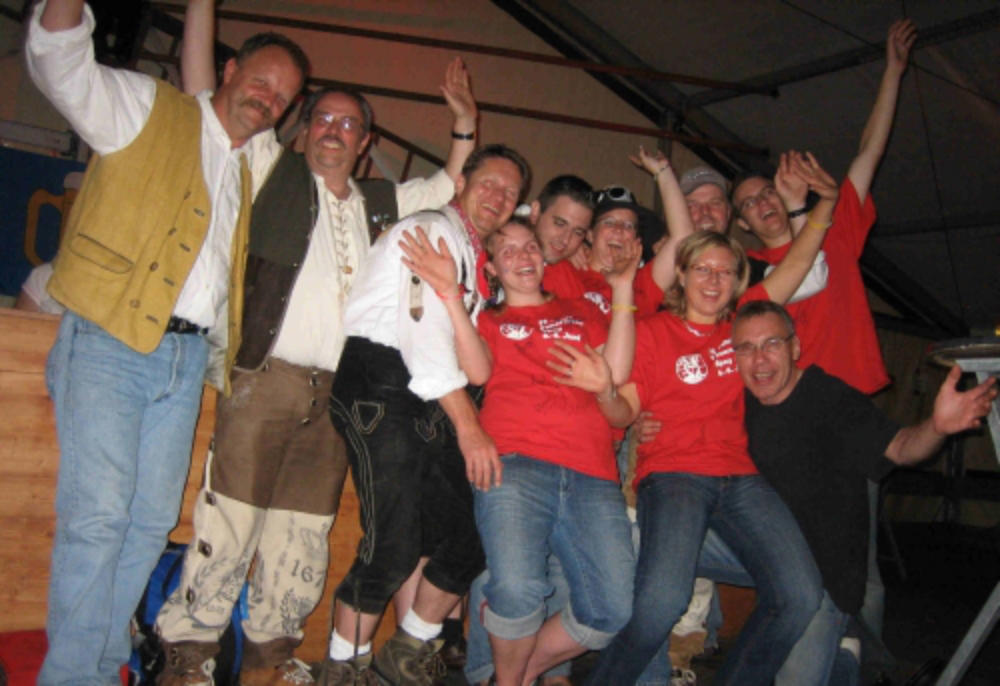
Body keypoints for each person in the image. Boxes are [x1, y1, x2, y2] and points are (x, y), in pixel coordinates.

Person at [152, 5, 480, 683]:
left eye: (348, 124)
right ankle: (189, 650)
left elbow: (449, 184)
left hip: (337, 395)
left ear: (365, 141)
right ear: (303, 130)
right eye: (322, 118)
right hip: (265, 378)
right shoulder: (268, 166)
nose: (333, 130)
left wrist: (463, 124)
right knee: (231, 519)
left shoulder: (380, 202)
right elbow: (208, 100)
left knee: (301, 532)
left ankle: (271, 657)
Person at [24, 0, 307, 683]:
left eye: (282, 98)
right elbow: (61, 64)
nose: (269, 100)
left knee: (150, 524)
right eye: (261, 81)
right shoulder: (146, 108)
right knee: (98, 520)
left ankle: (102, 666)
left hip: (185, 360)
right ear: (229, 71)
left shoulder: (249, 164)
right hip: (111, 341)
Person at [574, 152, 840, 685]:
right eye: (702, 269)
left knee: (801, 594)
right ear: (682, 274)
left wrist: (825, 207)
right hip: (674, 476)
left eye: (725, 271)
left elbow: (795, 265)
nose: (714, 280)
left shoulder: (743, 326)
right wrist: (605, 392)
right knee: (660, 604)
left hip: (740, 477)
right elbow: (625, 408)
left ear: (738, 280)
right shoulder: (652, 331)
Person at [732, 19, 918, 640]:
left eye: (767, 192)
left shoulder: (833, 230)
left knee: (859, 568)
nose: (761, 203)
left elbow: (869, 152)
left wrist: (892, 72)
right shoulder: (750, 276)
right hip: (785, 426)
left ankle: (861, 660)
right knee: (791, 558)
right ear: (742, 223)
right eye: (748, 203)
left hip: (849, 418)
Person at [318, 144, 529, 685]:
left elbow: (475, 366)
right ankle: (343, 668)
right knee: (392, 546)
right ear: (461, 183)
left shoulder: (469, 257)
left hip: (427, 394)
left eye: (510, 192)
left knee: (472, 533)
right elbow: (423, 336)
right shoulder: (432, 231)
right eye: (489, 183)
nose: (498, 196)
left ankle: (407, 648)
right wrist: (469, 427)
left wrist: (456, 294)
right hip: (382, 383)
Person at [402, 216, 639, 686]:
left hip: (592, 472)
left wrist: (624, 291)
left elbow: (617, 401)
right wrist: (451, 295)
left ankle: (515, 675)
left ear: (543, 257)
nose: (522, 256)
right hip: (513, 464)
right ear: (492, 268)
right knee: (515, 588)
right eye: (507, 251)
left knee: (611, 608)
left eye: (529, 246)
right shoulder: (489, 320)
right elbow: (477, 373)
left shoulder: (582, 311)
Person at [731, 300, 997, 684]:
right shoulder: (737, 402)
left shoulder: (831, 399)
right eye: (746, 348)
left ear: (795, 347)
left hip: (825, 580)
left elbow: (901, 448)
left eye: (771, 343)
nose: (759, 360)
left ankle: (848, 653)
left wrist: (937, 427)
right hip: (769, 558)